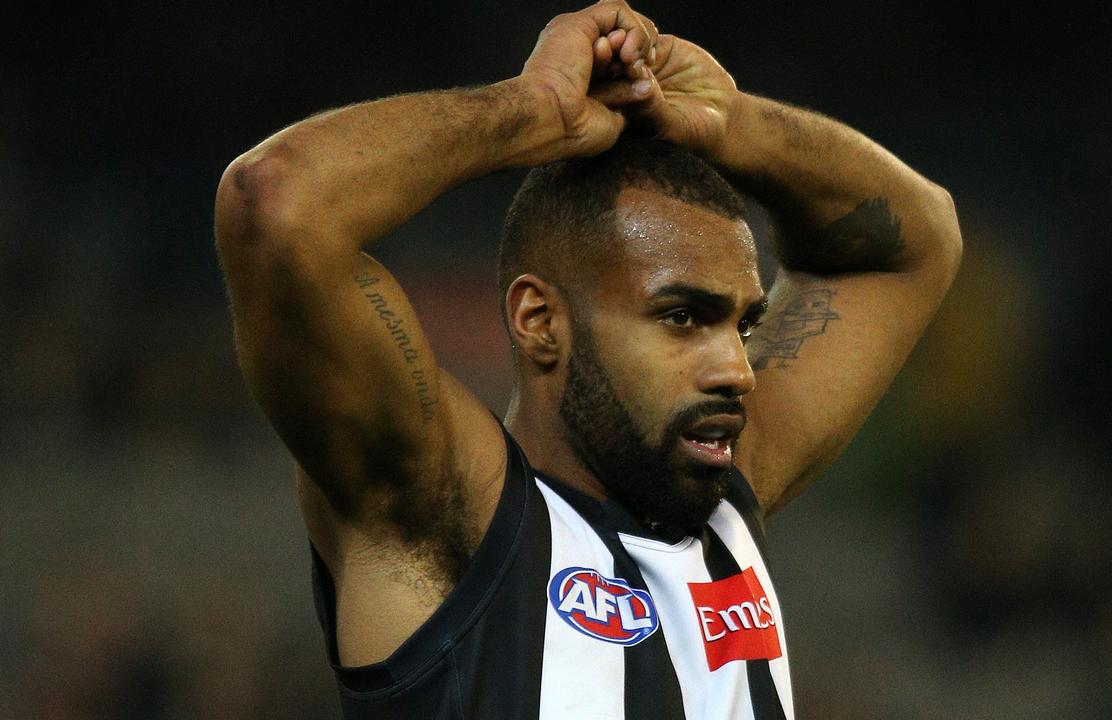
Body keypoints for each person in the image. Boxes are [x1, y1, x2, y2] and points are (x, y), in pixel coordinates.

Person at [214, 1, 961, 717]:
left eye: (743, 324)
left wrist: (731, 125)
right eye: (681, 317)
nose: (737, 367)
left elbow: (919, 237)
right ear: (539, 321)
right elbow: (278, 205)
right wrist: (535, 111)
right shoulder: (447, 516)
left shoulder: (725, 489)